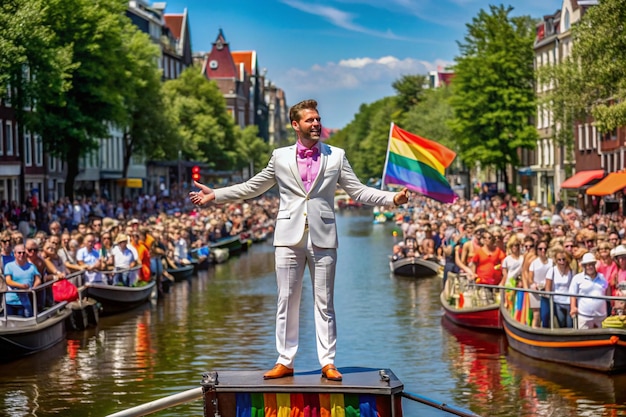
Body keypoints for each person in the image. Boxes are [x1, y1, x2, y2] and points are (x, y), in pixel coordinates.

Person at [189, 99, 409, 381]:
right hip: (288, 237)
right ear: (296, 125)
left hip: (323, 236)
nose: (316, 124)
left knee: (324, 302)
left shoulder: (336, 156)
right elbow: (253, 186)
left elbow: (359, 192)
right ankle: (285, 360)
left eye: (318, 119)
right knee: (286, 300)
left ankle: (328, 362)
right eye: (310, 120)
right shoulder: (279, 156)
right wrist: (216, 195)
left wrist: (393, 199)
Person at [570, 252, 609, 329]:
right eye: (587, 265)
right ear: (584, 266)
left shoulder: (602, 277)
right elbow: (572, 294)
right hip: (584, 316)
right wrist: (573, 307)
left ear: (594, 264)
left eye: (591, 264)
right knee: (583, 339)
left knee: (601, 339)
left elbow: (607, 291)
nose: (589, 267)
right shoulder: (577, 278)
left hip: (601, 316)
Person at [3, 244, 41, 317]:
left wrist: (33, 288)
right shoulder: (9, 266)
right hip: (10, 301)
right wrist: (21, 286)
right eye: (19, 253)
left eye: (23, 253)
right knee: (10, 323)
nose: (21, 255)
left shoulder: (31, 266)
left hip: (25, 301)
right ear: (14, 254)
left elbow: (38, 279)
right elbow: (8, 281)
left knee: (27, 322)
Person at [544, 247, 574, 328]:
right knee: (561, 322)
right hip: (557, 301)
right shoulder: (552, 271)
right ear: (556, 261)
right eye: (559, 260)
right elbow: (548, 287)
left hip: (569, 302)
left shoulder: (571, 271)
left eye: (564, 259)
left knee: (570, 324)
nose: (562, 262)